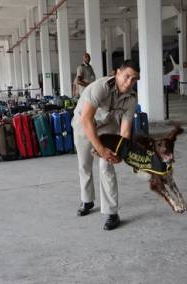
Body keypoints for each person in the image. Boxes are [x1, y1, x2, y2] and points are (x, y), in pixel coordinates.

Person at [71, 60, 140, 231]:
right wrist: (100, 149)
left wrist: (119, 151)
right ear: (117, 73)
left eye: (134, 79)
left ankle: (111, 212)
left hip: (107, 126)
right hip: (84, 123)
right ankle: (87, 200)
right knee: (85, 164)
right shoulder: (100, 87)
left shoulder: (131, 98)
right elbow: (86, 120)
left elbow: (124, 131)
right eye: (127, 76)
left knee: (106, 166)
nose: (129, 82)